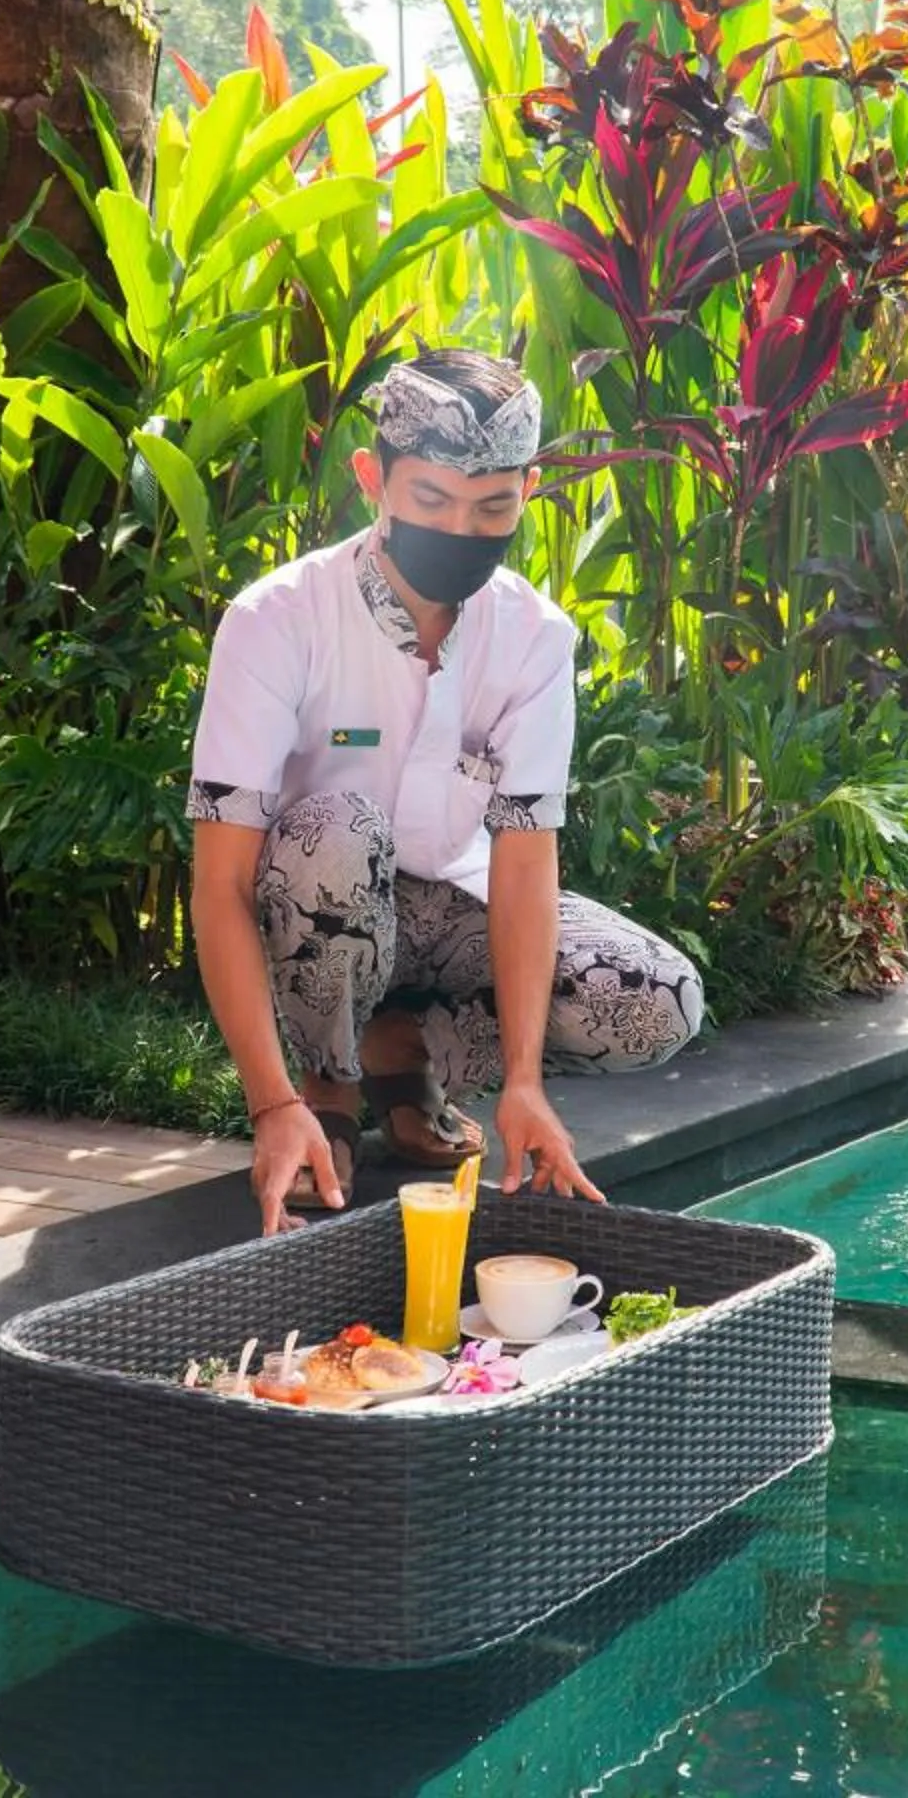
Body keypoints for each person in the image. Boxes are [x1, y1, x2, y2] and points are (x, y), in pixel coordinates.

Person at [189, 348, 706, 1234]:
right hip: (318, 911)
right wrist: (269, 1106)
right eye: (431, 500)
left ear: (527, 493)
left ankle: (405, 1057)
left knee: (655, 1001)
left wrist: (527, 1085)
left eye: (492, 507)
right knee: (335, 835)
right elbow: (221, 883)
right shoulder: (276, 620)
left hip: (453, 908)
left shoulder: (536, 638)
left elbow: (525, 861)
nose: (462, 529)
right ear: (372, 479)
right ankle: (326, 1089)